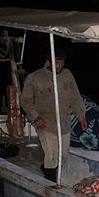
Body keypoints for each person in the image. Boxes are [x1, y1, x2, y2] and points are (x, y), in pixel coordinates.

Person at [20, 49, 87, 182]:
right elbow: (25, 101)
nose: (59, 66)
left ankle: (49, 169)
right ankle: (50, 181)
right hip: (45, 122)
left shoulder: (67, 75)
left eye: (61, 63)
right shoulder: (34, 77)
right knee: (51, 153)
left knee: (63, 154)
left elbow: (75, 97)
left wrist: (81, 116)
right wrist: (35, 117)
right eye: (56, 63)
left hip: (63, 121)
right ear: (49, 61)